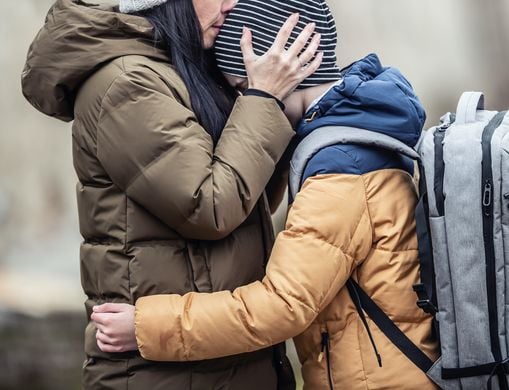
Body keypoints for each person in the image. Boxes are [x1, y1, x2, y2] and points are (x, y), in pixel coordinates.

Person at [91, 0, 440, 388]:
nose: (245, 101)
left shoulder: (341, 166)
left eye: (244, 87)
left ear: (286, 69)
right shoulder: (360, 134)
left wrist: (146, 325)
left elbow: (281, 306)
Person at [21, 0, 324, 388]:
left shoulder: (176, 70)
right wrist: (264, 99)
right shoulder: (127, 83)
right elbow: (210, 206)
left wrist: (273, 104)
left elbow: (251, 202)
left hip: (211, 360)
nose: (231, 5)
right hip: (167, 372)